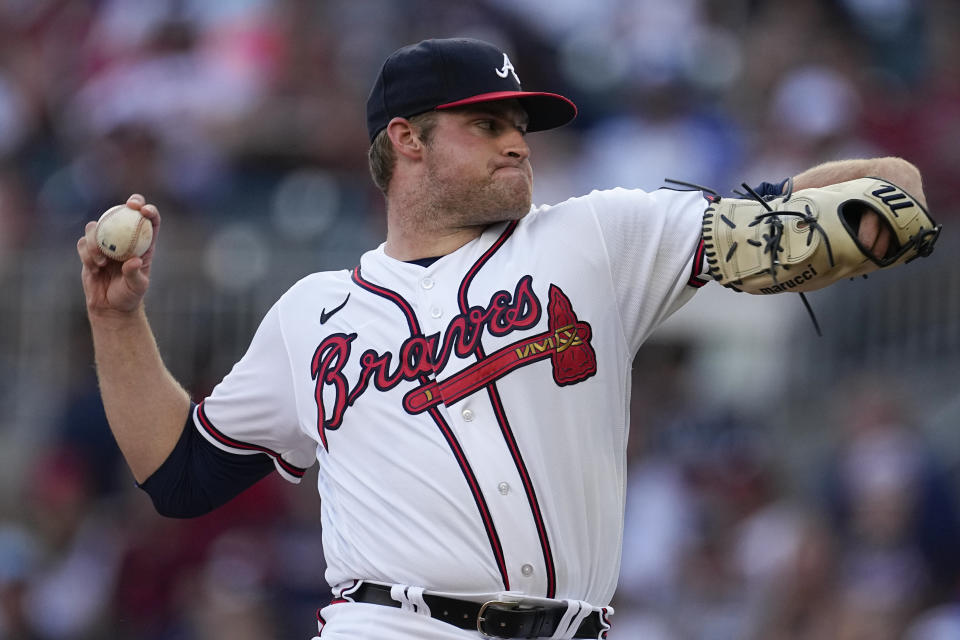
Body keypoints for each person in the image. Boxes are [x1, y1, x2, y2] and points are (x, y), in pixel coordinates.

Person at [76, 38, 935, 640]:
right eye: (485, 125)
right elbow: (182, 475)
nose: (517, 142)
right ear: (405, 140)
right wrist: (117, 321)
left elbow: (885, 203)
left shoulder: (596, 237)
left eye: (520, 123)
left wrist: (827, 203)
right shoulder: (313, 314)